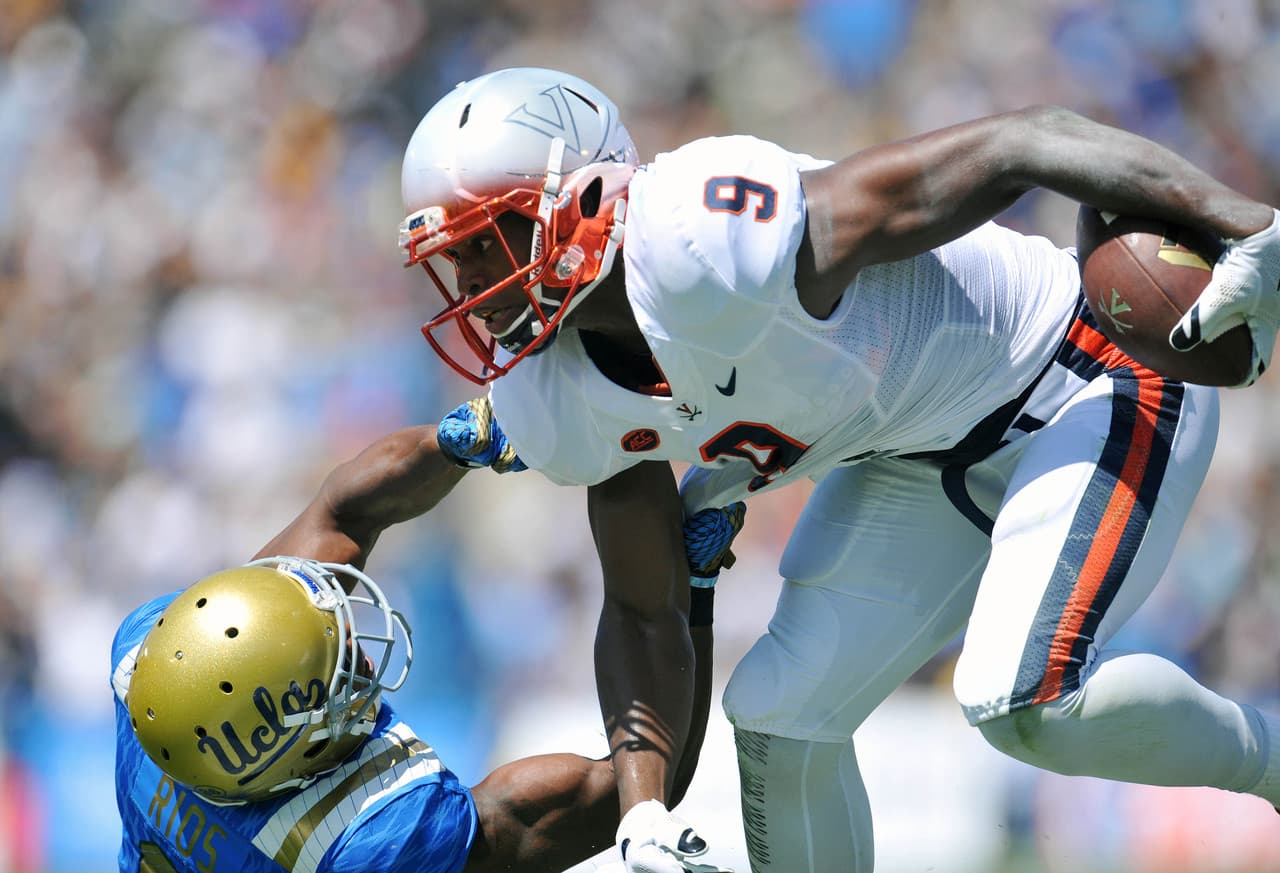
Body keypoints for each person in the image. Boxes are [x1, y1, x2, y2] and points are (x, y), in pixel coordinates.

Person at [395, 66, 1280, 872]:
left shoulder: (701, 240)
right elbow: (641, 606)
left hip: (1083, 368)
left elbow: (1025, 138)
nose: (476, 280)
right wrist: (645, 810)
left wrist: (1247, 222)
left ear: (584, 198)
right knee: (780, 719)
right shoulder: (555, 393)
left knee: (1021, 696)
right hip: (920, 456)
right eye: (456, 256)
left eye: (492, 238)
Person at [111, 421, 745, 873]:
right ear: (287, 751)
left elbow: (340, 513)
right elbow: (643, 788)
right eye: (332, 669)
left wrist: (468, 435)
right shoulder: (367, 842)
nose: (356, 649)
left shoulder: (153, 666)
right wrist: (693, 590)